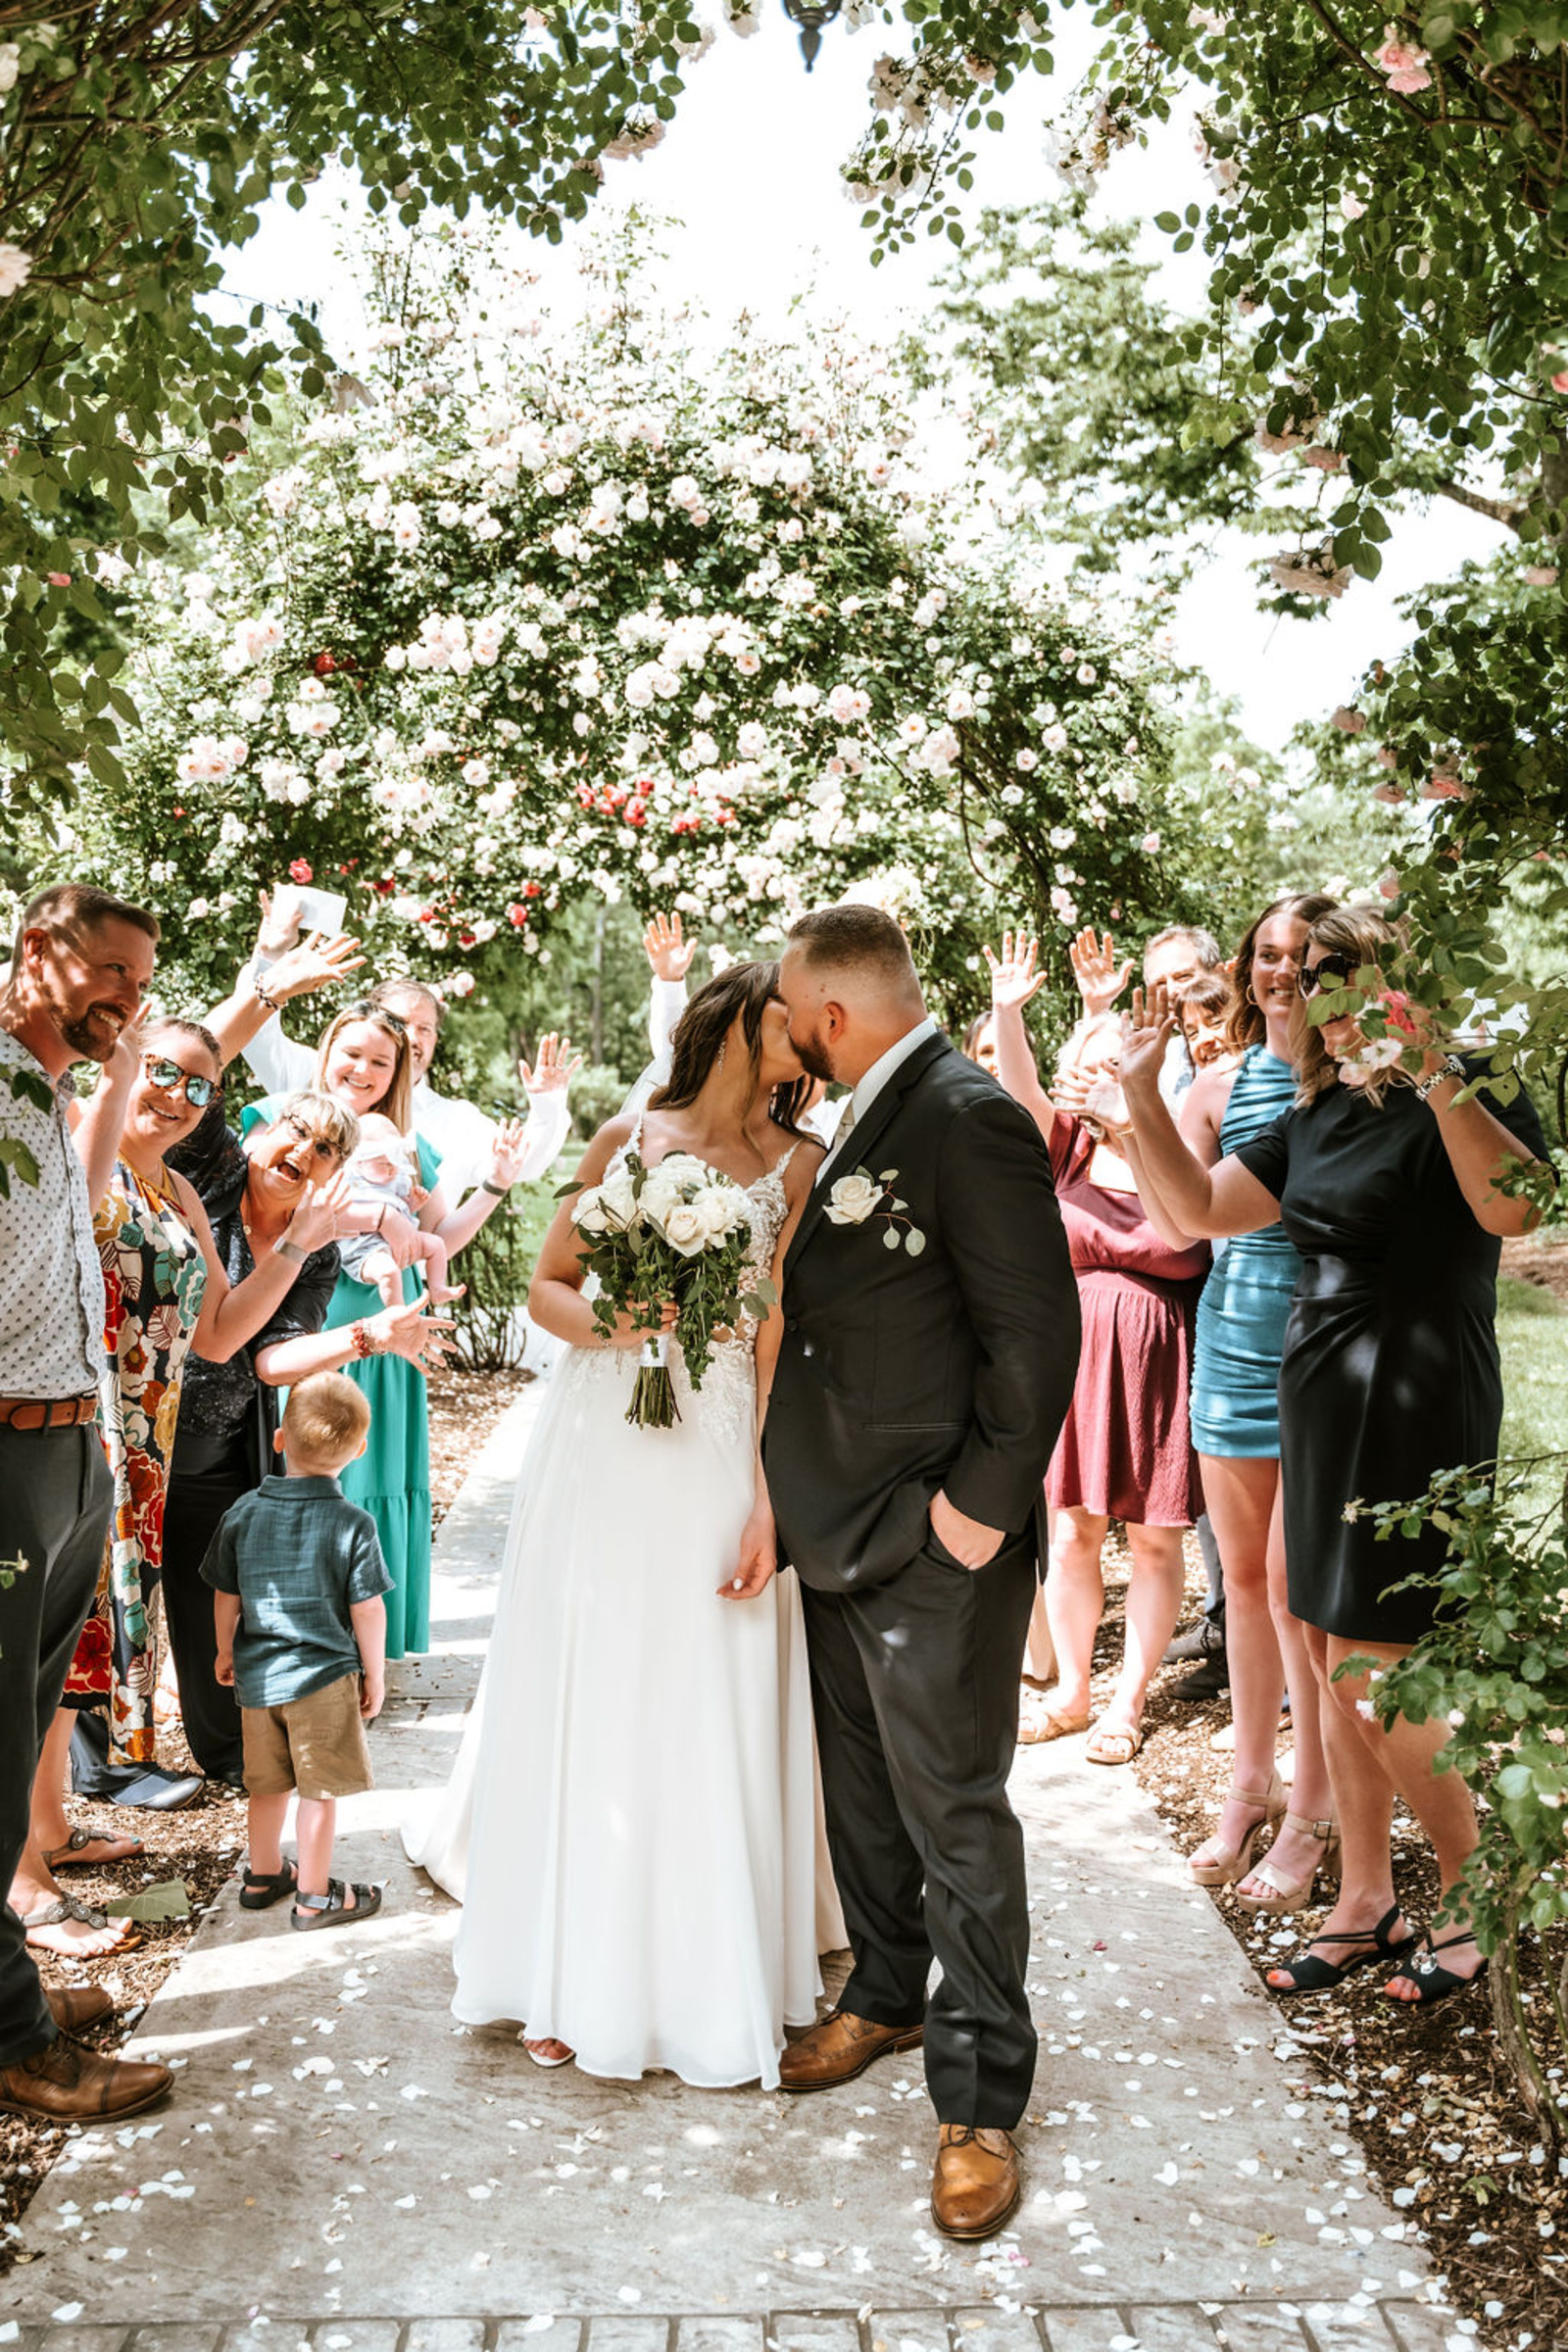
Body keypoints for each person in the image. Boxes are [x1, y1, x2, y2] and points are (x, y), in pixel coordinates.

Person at [406, 961, 834, 2087]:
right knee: (597, 1681)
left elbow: (784, 1329)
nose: (815, 1034)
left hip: (718, 1448)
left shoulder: (804, 1161)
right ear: (745, 1020)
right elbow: (551, 1283)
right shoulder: (627, 1137)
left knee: (706, 1678)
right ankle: (570, 1960)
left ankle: (712, 1954)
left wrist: (767, 1495)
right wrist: (612, 1322)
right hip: (604, 1443)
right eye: (797, 1014)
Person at [1118, 905, 1549, 2005]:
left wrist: (1433, 1062)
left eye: (1338, 968)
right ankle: (1364, 1899)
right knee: (1319, 1651)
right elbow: (1193, 1214)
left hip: (1415, 1391)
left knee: (1373, 1667)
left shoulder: (1461, 1074)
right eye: (1305, 973)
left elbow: (1514, 1210)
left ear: (1391, 975)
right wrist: (1136, 1096)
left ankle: (1473, 1887)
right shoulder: (1309, 1105)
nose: (1315, 988)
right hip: (1312, 1390)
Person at [750, 905, 1079, 2245]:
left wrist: (975, 1518)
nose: (780, 1032)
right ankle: (885, 1995)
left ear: (832, 1015)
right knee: (864, 1798)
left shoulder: (963, 1115)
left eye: (786, 1011)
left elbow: (1035, 1337)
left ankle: (982, 2096)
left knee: (955, 1814)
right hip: (839, 1531)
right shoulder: (862, 1122)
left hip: (933, 1539)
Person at [26, 1023, 345, 1935]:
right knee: (46, 1635)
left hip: (141, 1447)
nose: (174, 1094)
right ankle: (22, 1867)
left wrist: (298, 1246)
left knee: (81, 1637)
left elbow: (217, 1336)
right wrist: (258, 993)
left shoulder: (173, 1191)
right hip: (72, 1423)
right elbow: (73, 1219)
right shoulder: (87, 1140)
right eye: (159, 1072)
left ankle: (50, 1827)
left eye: (197, 1085)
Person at [1124, 896, 1340, 1914]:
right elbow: (1176, 1224)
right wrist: (1128, 1125)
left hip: (1322, 1347)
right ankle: (1248, 1784)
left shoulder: (1346, 1082)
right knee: (1245, 1584)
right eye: (1264, 952)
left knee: (1307, 1599)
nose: (1277, 970)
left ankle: (1313, 1807)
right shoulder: (1222, 1080)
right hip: (1230, 1343)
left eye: (1299, 955)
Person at [205, 984, 529, 1659]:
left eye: (381, 1062)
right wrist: (379, 1215)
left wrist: (495, 1184)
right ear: (327, 1052)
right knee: (313, 1462)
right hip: (312, 1313)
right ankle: (301, 1639)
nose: (362, 1070)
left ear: (398, 1074)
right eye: (351, 1053)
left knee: (375, 1472)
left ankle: (370, 1645)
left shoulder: (410, 1145)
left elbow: (439, 1235)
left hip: (391, 1321)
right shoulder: (274, 1118)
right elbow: (272, 1205)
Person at [0, 882, 172, 2125]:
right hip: (3, 1458)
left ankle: (6, 1988)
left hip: (71, 1458)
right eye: (109, 972)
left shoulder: (53, 1100)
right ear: (37, 954)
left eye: (138, 979)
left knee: (17, 1752)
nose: (129, 996)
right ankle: (15, 2041)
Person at [160, 1090, 450, 1786]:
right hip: (145, 1416)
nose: (303, 1152)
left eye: (325, 1150)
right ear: (264, 1132)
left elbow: (270, 1359)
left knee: (212, 1599)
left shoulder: (316, 1255)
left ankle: (228, 1754)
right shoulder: (214, 1174)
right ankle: (96, 1756)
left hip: (220, 1437)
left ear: (333, 1175)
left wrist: (367, 1337)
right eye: (296, 1131)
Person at [986, 938, 1206, 1766]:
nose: (1100, 1072)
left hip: (1159, 1356)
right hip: (1078, 1355)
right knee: (1072, 1531)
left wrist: (1132, 1115)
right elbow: (1021, 1090)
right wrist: (1010, 1011)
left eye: (1119, 1060)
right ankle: (1074, 1690)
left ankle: (1128, 1701)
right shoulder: (1069, 1150)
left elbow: (1191, 1234)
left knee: (1154, 1538)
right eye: (1092, 1062)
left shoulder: (1180, 1140)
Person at [236, 887, 575, 1199]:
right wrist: (270, 955)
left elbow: (523, 1162)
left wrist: (547, 1104)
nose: (412, 1037)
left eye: (424, 1028)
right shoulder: (313, 1075)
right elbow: (255, 1035)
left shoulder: (455, 1121)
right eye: (398, 1024)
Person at [207, 1373, 392, 1932]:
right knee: (320, 1792)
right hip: (323, 1680)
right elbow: (368, 1611)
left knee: (265, 1786)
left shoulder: (244, 1511)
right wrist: (375, 1676)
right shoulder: (353, 1524)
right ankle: (314, 1897)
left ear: (280, 1438)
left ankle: (263, 1875)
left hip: (259, 1680)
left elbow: (226, 1592)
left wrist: (224, 1650)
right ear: (358, 1451)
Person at [338, 1112, 459, 1308]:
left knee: (436, 1245)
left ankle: (437, 1288)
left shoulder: (393, 1180)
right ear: (359, 1161)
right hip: (366, 1249)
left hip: (403, 1241)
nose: (392, 1169)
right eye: (384, 1164)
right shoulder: (350, 1181)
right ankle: (398, 1312)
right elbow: (334, 1214)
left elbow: (401, 1212)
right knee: (389, 1273)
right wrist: (383, 1218)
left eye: (395, 1163)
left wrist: (412, 1204)